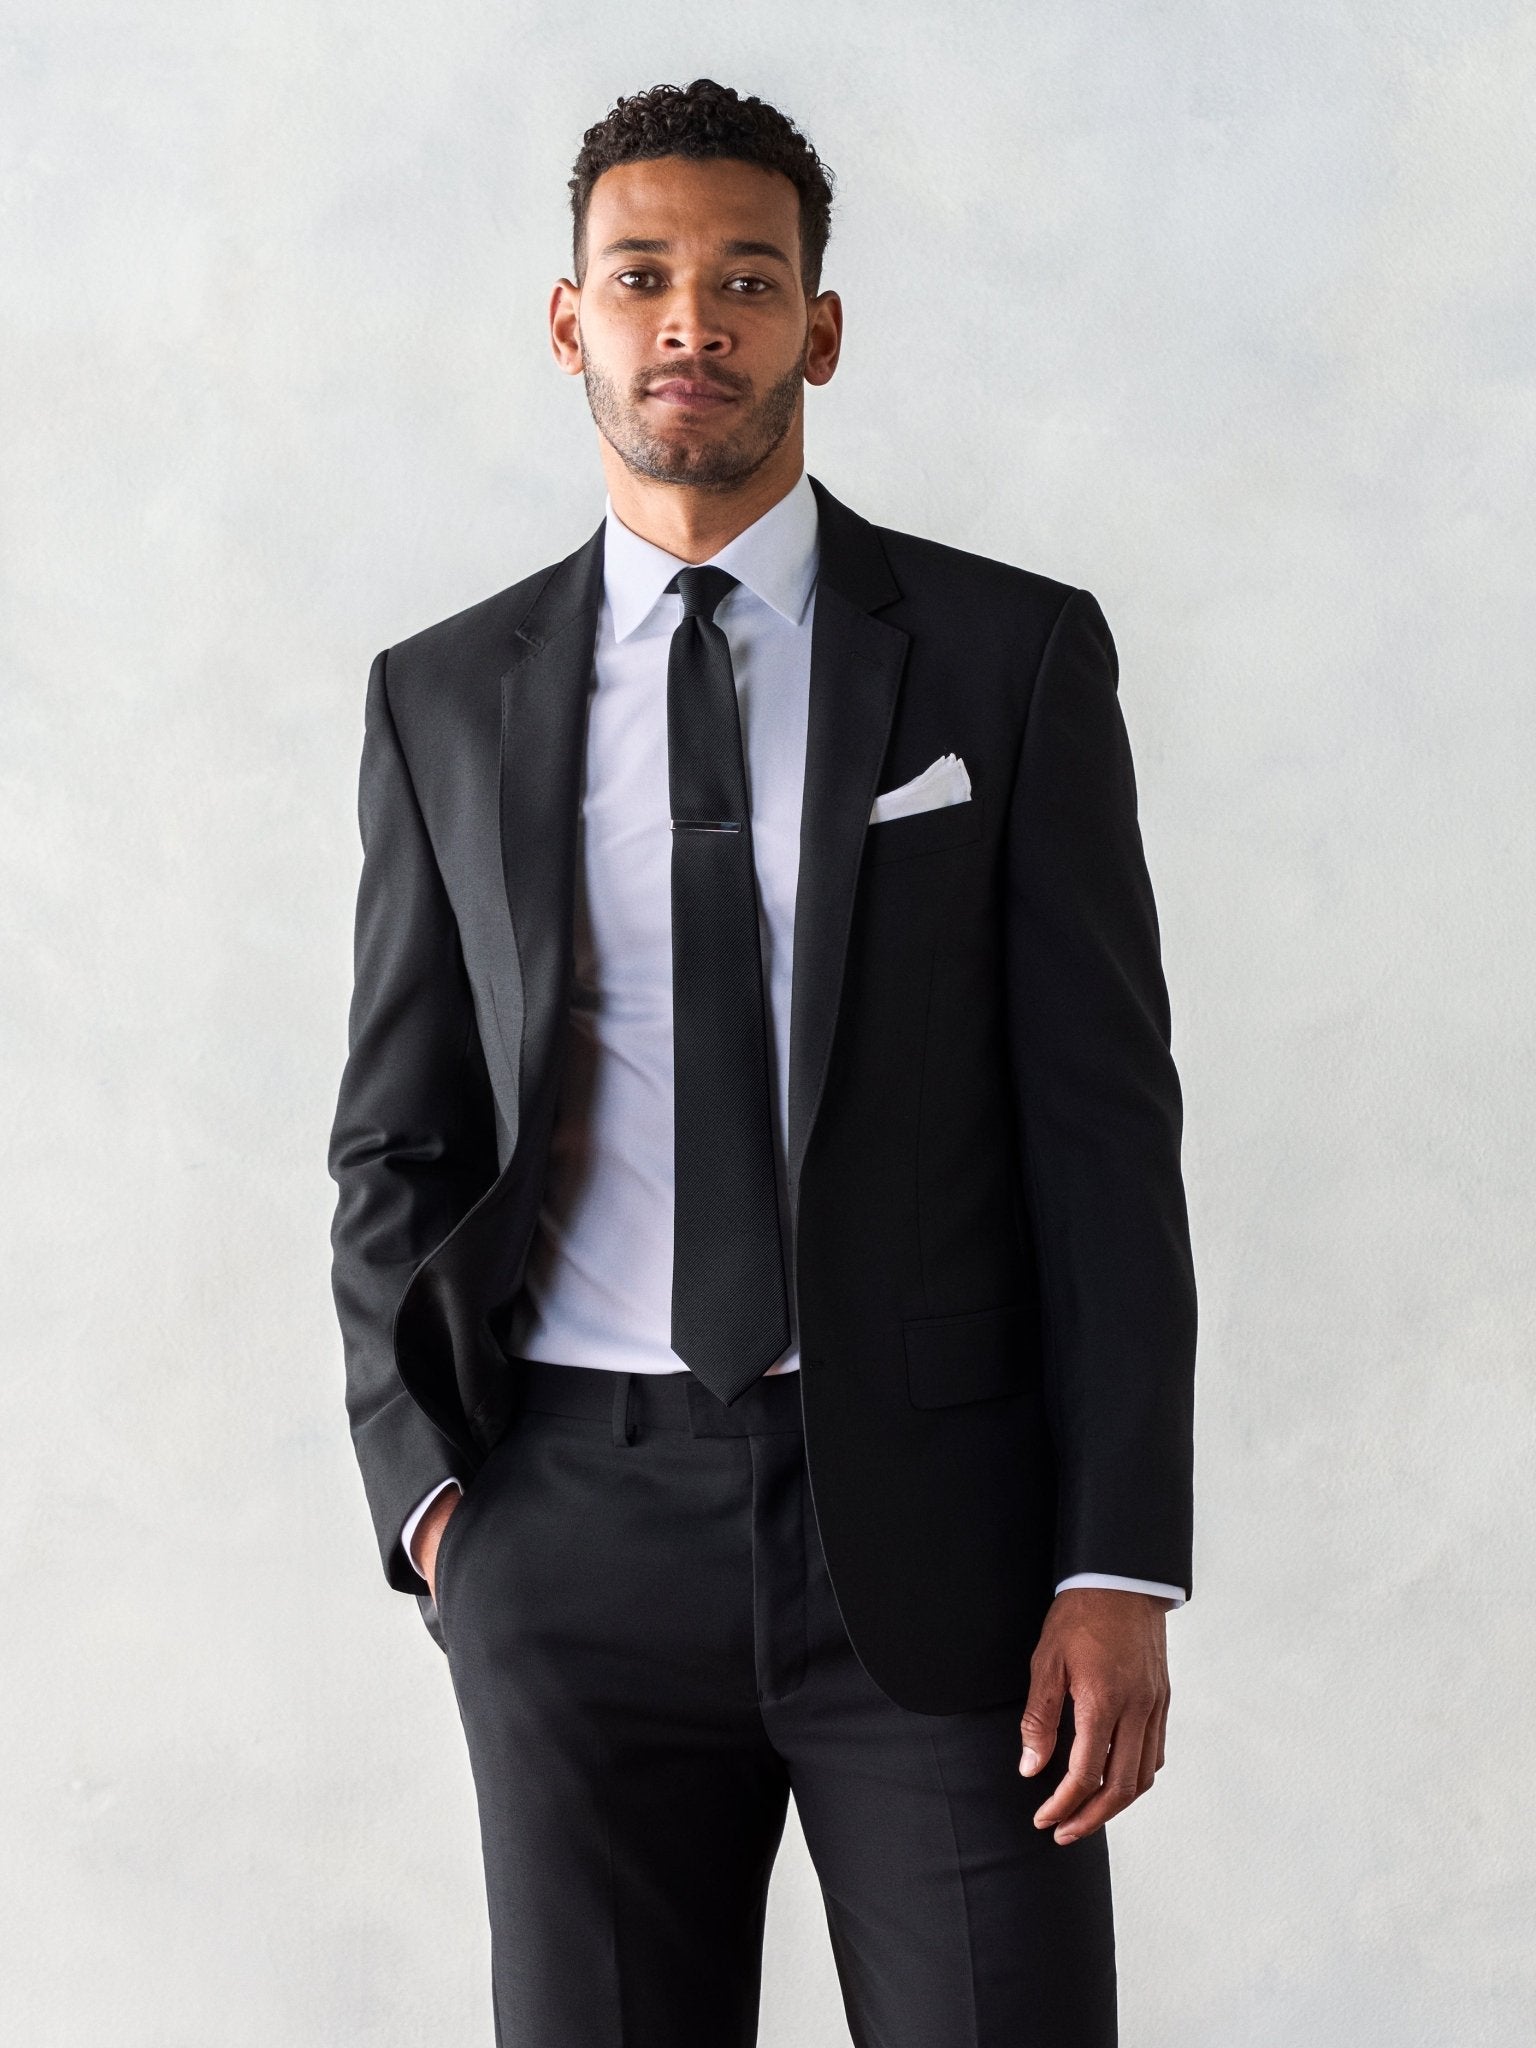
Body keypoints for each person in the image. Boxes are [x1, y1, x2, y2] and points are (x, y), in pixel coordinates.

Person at [327, 76, 1196, 2047]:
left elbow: (1105, 1140)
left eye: (744, 279)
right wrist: (439, 1505)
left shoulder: (1004, 661)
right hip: (568, 1531)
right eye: (642, 278)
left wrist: (1119, 1552)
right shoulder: (445, 697)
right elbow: (395, 1135)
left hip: (946, 1549)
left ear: (821, 324)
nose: (691, 322)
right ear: (574, 321)